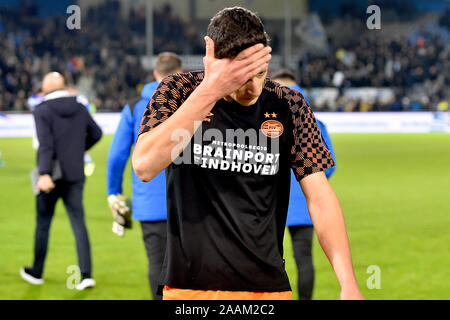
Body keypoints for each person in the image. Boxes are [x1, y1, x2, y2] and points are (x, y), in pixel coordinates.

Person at [133, 7, 363, 300]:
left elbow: (320, 197)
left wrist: (349, 284)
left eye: (261, 72)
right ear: (215, 60)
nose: (254, 87)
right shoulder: (178, 90)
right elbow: (144, 165)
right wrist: (210, 91)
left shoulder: (288, 104)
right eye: (243, 75)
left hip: (266, 289)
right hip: (189, 289)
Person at [106, 52, 182, 300]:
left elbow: (117, 155)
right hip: (190, 203)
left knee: (157, 264)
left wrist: (113, 192)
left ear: (155, 74)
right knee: (190, 266)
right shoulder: (194, 103)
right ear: (180, 73)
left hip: (151, 202)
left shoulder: (135, 106)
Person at [21, 72, 102, 290]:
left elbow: (45, 144)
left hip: (51, 175)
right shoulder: (79, 107)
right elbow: (97, 133)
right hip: (75, 174)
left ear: (45, 89)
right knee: (78, 223)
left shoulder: (42, 110)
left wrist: (45, 172)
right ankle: (86, 275)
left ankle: (37, 272)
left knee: (43, 224)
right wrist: (77, 151)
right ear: (64, 87)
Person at [272, 69, 337, 300]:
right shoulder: (315, 123)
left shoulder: (263, 120)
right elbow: (329, 166)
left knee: (268, 259)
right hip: (305, 203)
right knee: (304, 259)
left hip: (269, 204)